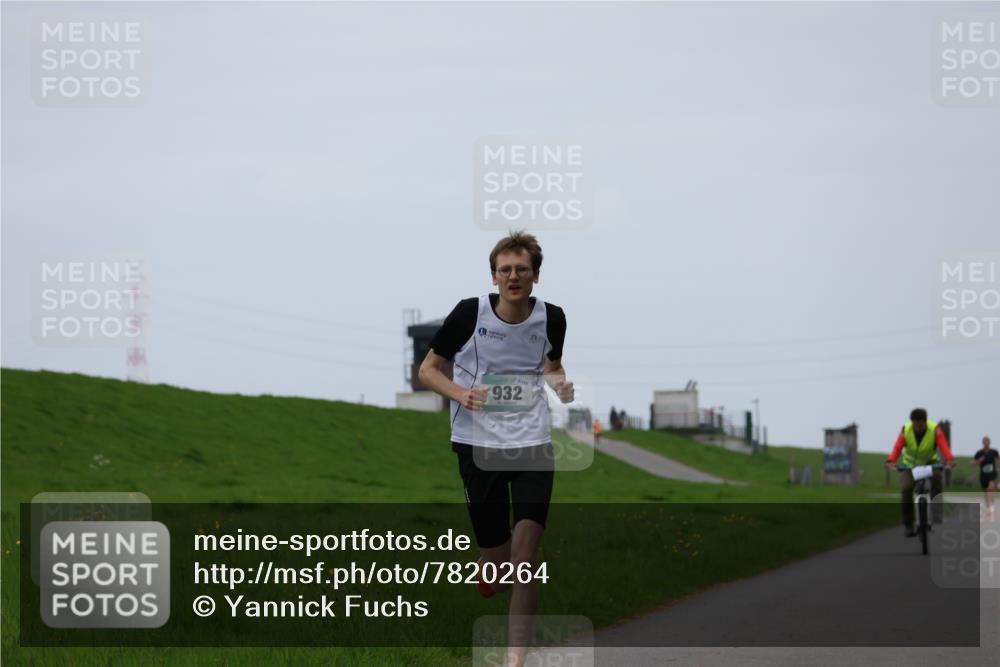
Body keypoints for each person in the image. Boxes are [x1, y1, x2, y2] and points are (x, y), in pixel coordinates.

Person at [418, 230, 573, 667]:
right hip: (477, 446)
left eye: (522, 270)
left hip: (532, 445)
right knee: (500, 567)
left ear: (535, 276)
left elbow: (552, 365)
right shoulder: (470, 314)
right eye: (505, 270)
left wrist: (561, 385)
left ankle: (514, 660)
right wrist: (459, 393)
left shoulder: (553, 318)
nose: (513, 277)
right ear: (494, 276)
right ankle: (490, 571)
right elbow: (428, 370)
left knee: (526, 558)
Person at [884, 408, 956, 537]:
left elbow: (943, 445)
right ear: (911, 422)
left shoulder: (934, 429)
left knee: (937, 478)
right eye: (915, 425)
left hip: (930, 463)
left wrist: (949, 459)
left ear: (925, 422)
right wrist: (891, 460)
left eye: (921, 425)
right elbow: (898, 447)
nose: (917, 428)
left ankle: (937, 513)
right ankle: (908, 524)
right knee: (906, 489)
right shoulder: (906, 429)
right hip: (909, 465)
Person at [972, 436, 997, 518]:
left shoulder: (994, 452)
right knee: (986, 492)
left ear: (989, 443)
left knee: (991, 489)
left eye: (987, 442)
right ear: (982, 443)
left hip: (992, 474)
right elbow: (972, 464)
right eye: (984, 442)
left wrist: (998, 468)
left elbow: (998, 460)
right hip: (983, 475)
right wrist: (979, 461)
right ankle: (989, 508)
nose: (986, 444)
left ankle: (992, 509)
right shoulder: (979, 453)